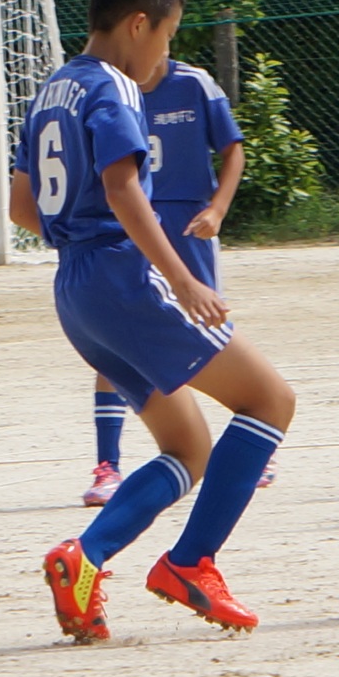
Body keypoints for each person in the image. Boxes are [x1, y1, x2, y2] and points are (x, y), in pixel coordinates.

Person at [9, 0, 295, 642]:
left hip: (75, 290)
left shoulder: (51, 89)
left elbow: (21, 206)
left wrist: (81, 238)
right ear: (139, 24)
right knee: (270, 400)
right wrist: (184, 279)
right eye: (166, 35)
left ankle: (84, 558)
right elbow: (122, 188)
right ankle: (191, 562)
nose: (165, 52)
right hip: (124, 279)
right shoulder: (115, 85)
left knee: (188, 445)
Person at [84, 55, 276, 505]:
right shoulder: (108, 90)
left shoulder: (194, 83)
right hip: (131, 224)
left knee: (210, 329)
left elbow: (233, 149)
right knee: (117, 342)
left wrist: (218, 209)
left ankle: (251, 446)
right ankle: (107, 465)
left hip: (187, 223)